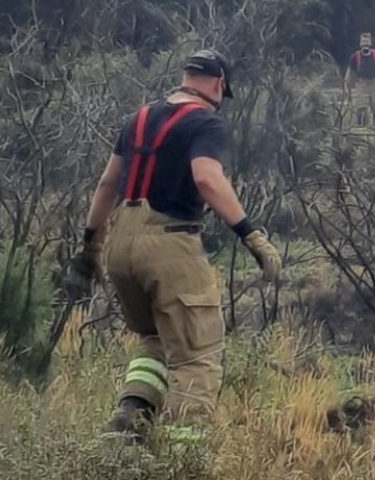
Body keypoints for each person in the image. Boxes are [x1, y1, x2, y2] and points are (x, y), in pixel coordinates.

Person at [71, 48, 282, 445]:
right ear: (219, 85)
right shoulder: (206, 122)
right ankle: (184, 456)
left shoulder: (138, 119)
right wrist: (250, 234)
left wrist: (89, 246)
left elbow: (106, 184)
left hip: (121, 245)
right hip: (170, 245)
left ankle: (129, 419)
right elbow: (206, 178)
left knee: (153, 339)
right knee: (196, 357)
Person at [344, 32, 375, 126]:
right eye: (363, 41)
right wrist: (347, 86)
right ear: (360, 43)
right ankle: (362, 129)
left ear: (370, 43)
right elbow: (350, 73)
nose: (365, 44)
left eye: (367, 41)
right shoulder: (355, 57)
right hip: (361, 85)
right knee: (361, 108)